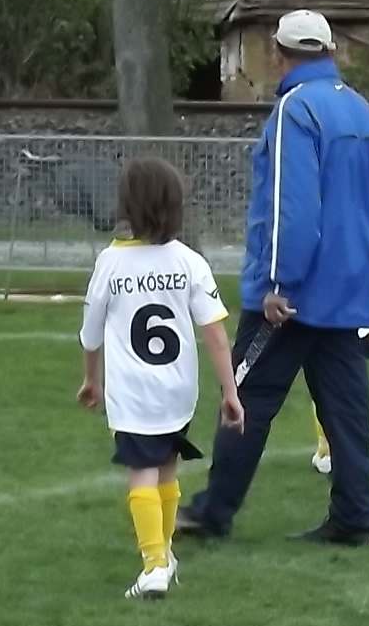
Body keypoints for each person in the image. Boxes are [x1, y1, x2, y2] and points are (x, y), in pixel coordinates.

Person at [177, 9, 369, 546]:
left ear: (279, 54)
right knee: (346, 409)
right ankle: (355, 515)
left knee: (246, 395)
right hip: (347, 286)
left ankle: (214, 511)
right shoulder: (361, 110)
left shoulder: (296, 110)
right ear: (331, 50)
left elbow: (290, 205)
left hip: (294, 293)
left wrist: (280, 282)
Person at [76, 158, 245, 598]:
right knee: (167, 469)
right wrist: (230, 392)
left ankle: (153, 566)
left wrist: (91, 380)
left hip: (133, 394)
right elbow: (216, 334)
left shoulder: (110, 263)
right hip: (178, 390)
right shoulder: (189, 261)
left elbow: (90, 333)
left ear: (127, 206)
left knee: (141, 473)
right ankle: (165, 553)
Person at [313, 209, 369, 478]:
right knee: (350, 387)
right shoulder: (367, 199)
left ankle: (331, 451)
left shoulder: (313, 201)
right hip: (364, 314)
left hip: (333, 314)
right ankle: (352, 451)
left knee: (327, 382)